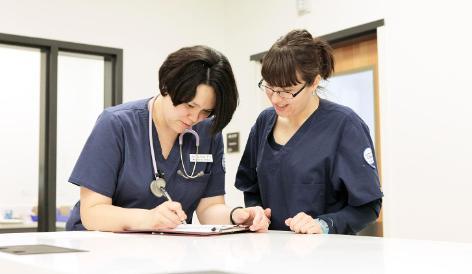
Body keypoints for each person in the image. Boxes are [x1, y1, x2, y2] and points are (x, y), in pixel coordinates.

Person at [66, 45, 270, 232]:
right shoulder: (116, 124)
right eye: (189, 106)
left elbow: (210, 208)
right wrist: (149, 219)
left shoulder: (208, 132)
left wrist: (237, 216)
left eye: (206, 111)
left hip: (165, 249)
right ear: (166, 86)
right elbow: (92, 212)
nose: (194, 119)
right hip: (99, 246)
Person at [234, 30, 383, 235]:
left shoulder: (345, 125)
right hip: (271, 253)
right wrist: (257, 212)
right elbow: (251, 189)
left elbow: (369, 206)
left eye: (287, 90)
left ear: (314, 82)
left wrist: (324, 224)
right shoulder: (264, 122)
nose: (276, 99)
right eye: (270, 87)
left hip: (325, 257)